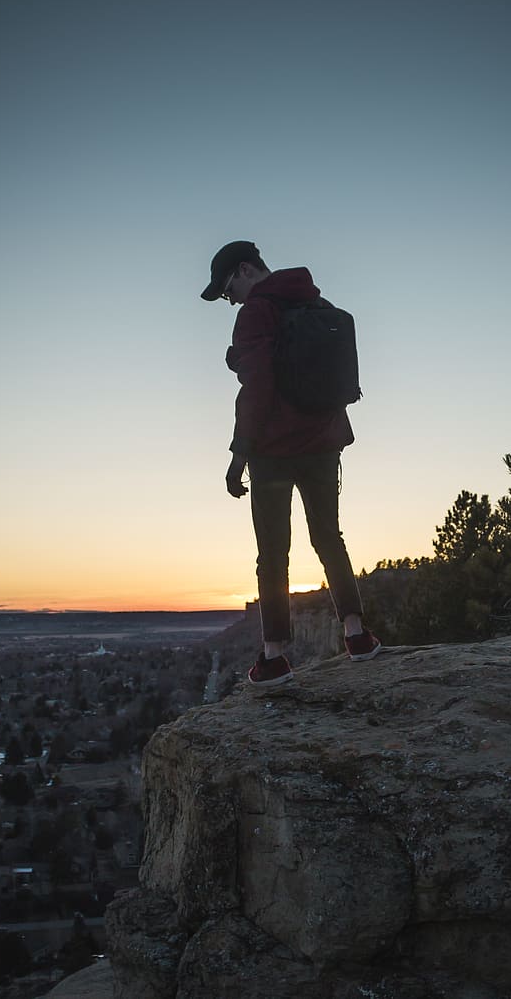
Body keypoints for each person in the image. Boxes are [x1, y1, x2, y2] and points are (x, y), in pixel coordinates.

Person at [201, 239, 381, 687]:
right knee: (329, 539)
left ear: (245, 270)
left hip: (273, 453)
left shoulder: (256, 312)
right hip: (324, 445)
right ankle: (357, 636)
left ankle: (275, 656)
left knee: (273, 553)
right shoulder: (316, 300)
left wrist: (238, 455)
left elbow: (259, 388)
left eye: (227, 291)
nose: (230, 300)